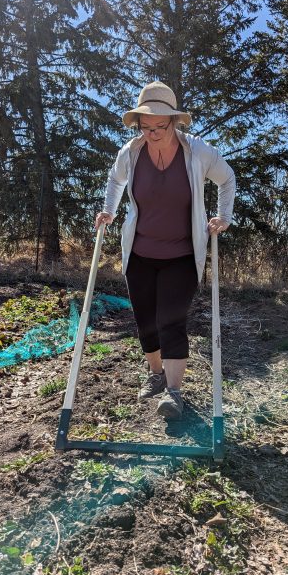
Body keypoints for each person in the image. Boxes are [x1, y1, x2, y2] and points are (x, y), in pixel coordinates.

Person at [95, 81, 235, 420]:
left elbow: (226, 178)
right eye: (147, 126)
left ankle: (174, 393)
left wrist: (224, 217)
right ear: (138, 124)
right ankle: (155, 375)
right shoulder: (131, 151)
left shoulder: (197, 151)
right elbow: (115, 180)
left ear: (174, 122)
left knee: (170, 321)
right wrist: (110, 210)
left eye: (161, 126)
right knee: (146, 322)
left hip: (182, 255)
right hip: (140, 253)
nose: (153, 132)